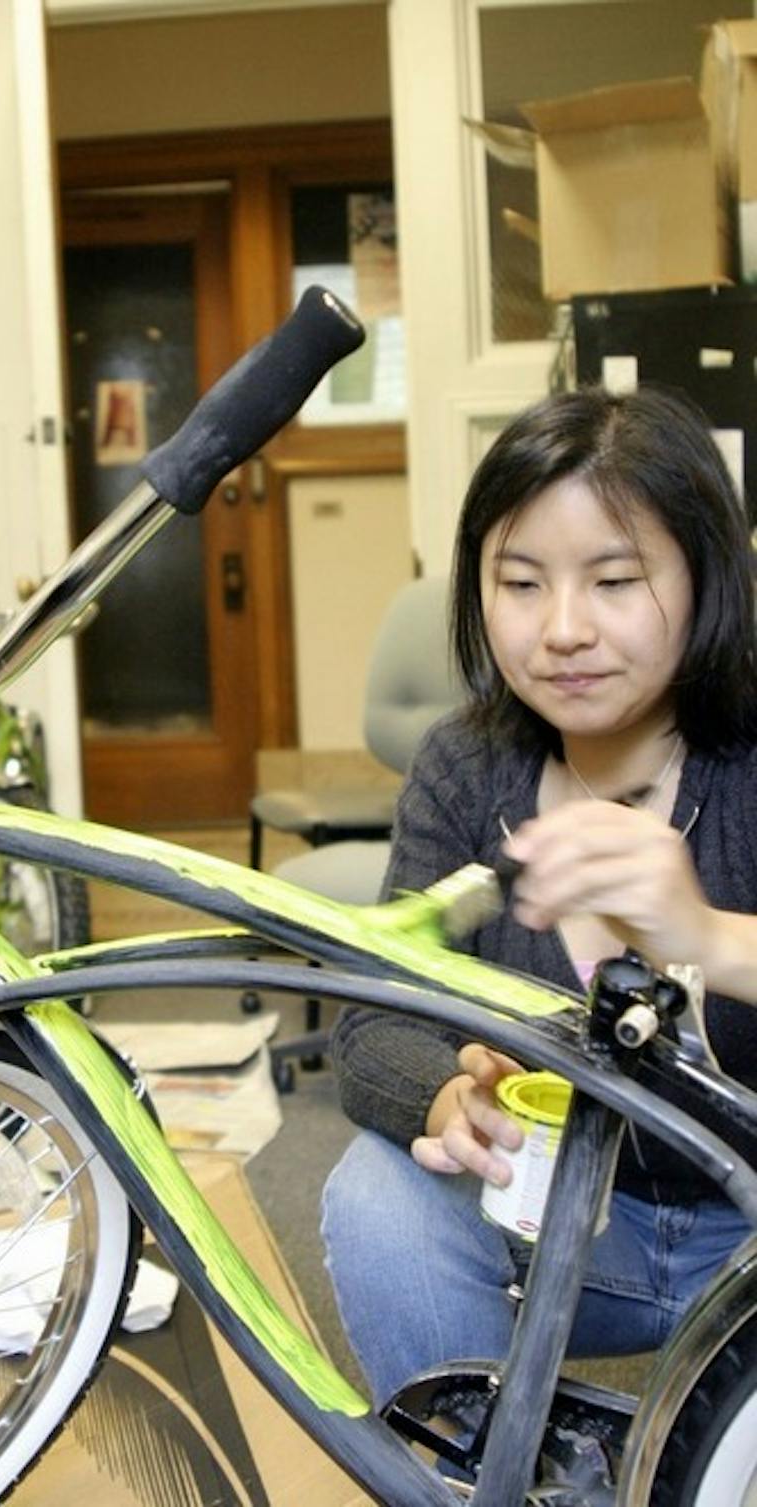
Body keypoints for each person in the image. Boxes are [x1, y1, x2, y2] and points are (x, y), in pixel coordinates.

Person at [320, 384, 757, 1413]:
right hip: (567, 1227)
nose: (562, 629)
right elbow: (375, 1017)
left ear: (703, 576)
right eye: (520, 582)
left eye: (615, 580)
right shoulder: (466, 767)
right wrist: (449, 1100)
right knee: (375, 1196)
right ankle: (484, 1472)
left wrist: (703, 934)